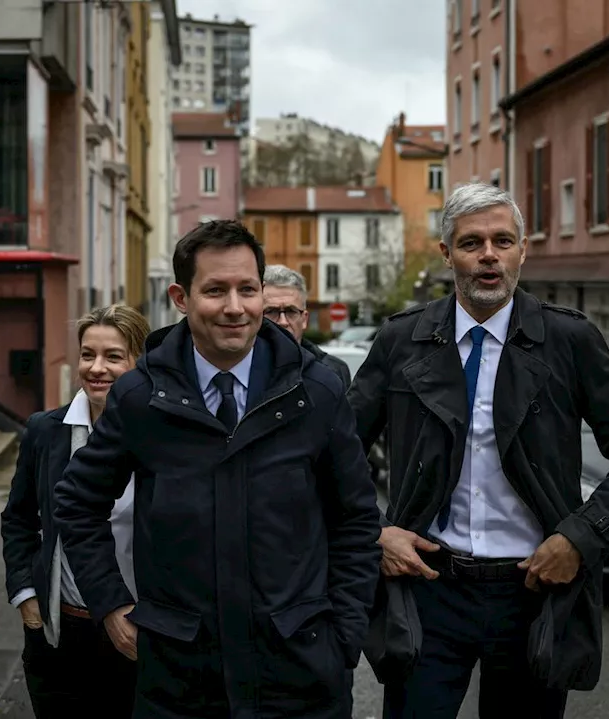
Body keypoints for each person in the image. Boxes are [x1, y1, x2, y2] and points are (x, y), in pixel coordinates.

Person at [345, 183, 609, 719]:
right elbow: (339, 452)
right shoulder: (401, 341)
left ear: (523, 249)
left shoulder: (569, 341)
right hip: (428, 591)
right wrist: (374, 532)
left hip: (534, 590)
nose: (489, 255)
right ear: (446, 253)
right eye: (472, 243)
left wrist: (580, 537)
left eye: (503, 240)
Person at [52, 219, 382, 719]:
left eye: (247, 289)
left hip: (300, 675)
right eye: (215, 290)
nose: (235, 307)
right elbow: (77, 504)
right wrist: (112, 605)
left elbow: (356, 520)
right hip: (181, 679)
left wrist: (344, 636)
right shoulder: (141, 398)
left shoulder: (315, 392)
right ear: (181, 298)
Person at [0, 303, 151, 719]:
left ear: (140, 363)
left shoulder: (161, 436)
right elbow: (19, 518)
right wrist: (25, 594)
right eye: (88, 354)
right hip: (61, 629)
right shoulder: (46, 430)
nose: (96, 368)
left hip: (137, 630)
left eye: (113, 356)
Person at [262, 264, 352, 388]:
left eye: (291, 311)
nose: (283, 322)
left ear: (304, 319)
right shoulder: (237, 370)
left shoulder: (334, 371)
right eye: (271, 311)